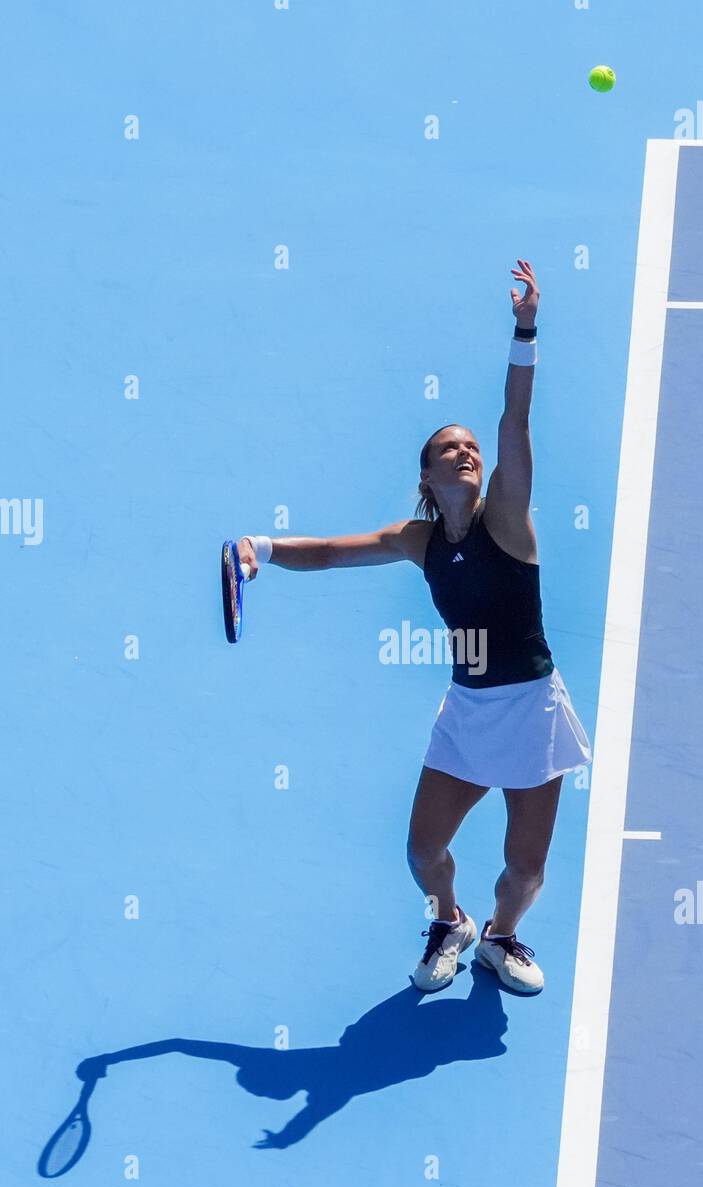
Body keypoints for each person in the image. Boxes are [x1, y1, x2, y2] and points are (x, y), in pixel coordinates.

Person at [238, 260, 591, 996]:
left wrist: (525, 329)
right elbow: (334, 553)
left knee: (525, 868)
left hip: (531, 710)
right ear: (426, 478)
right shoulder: (418, 540)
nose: (465, 451)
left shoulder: (505, 517)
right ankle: (449, 921)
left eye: (470, 448)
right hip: (467, 714)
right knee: (423, 848)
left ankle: (501, 937)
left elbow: (513, 421)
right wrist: (262, 549)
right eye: (446, 450)